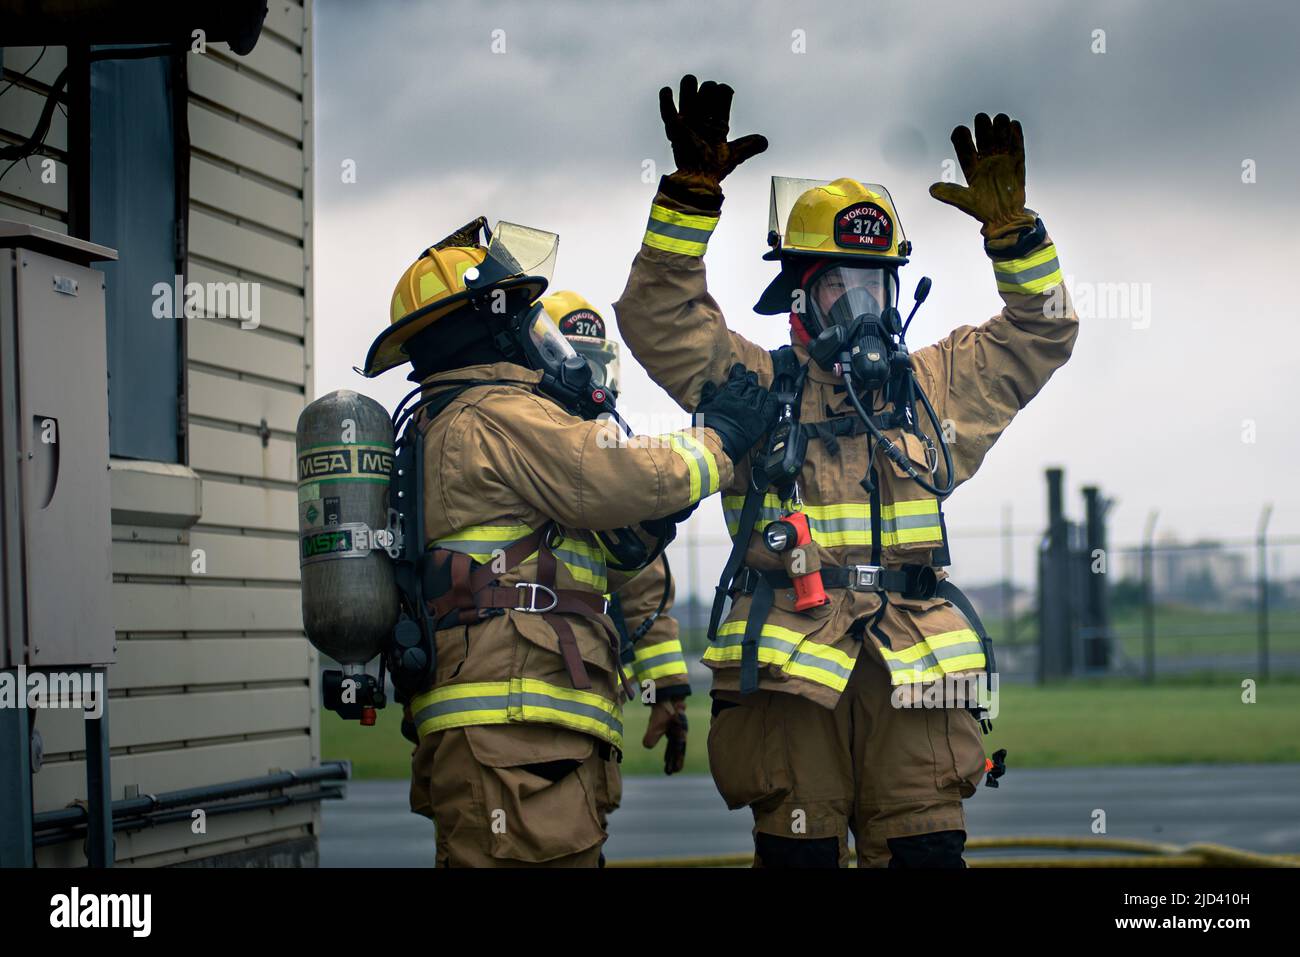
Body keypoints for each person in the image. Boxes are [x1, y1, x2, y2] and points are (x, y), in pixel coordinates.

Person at [613, 76, 1078, 867]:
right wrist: (688, 202)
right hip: (794, 692)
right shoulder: (754, 387)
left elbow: (1043, 329)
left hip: (914, 684)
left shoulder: (935, 387)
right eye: (840, 285)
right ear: (800, 298)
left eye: (876, 284)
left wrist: (1015, 234)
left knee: (927, 854)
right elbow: (659, 319)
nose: (863, 305)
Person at [361, 217, 772, 866]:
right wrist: (721, 437)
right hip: (514, 733)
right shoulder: (497, 413)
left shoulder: (454, 420)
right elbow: (619, 475)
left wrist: (663, 679)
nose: (534, 329)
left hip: (517, 732)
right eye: (522, 313)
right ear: (485, 325)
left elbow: (620, 553)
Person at [543, 290, 691, 776]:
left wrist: (667, 689)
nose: (592, 382)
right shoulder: (525, 440)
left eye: (598, 365)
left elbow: (644, 586)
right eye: (577, 364)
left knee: (588, 817)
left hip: (590, 681)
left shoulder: (608, 453)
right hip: (523, 674)